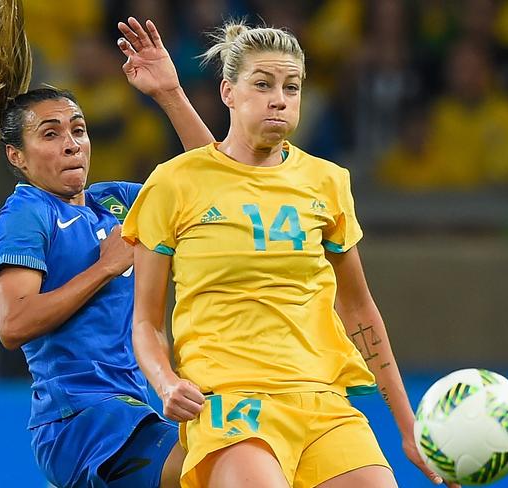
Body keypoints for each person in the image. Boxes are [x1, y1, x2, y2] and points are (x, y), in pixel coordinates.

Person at [123, 21, 461, 488]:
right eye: (262, 84)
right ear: (228, 92)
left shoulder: (327, 181)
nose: (279, 98)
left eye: (292, 87)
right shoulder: (173, 182)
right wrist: (166, 382)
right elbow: (145, 320)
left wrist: (408, 428)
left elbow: (360, 309)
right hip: (232, 404)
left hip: (324, 402)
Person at [0, 1, 213, 487]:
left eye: (78, 130)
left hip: (137, 409)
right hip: (81, 421)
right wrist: (104, 268)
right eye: (51, 134)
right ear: (17, 156)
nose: (72, 143)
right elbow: (13, 324)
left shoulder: (116, 202)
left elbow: (214, 181)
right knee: (219, 466)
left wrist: (169, 93)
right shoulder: (27, 214)